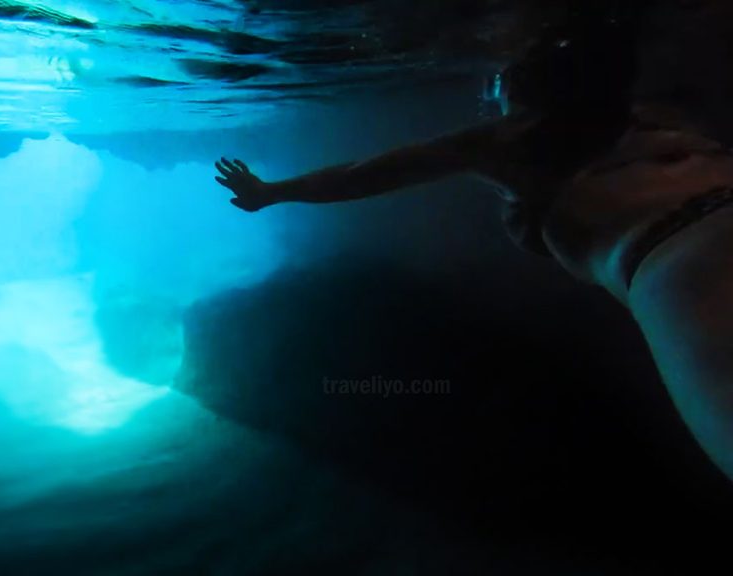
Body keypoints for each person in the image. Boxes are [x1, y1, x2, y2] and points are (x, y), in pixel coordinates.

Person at [214, 14, 733, 481]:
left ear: (523, 85)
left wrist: (272, 192)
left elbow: (363, 174)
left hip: (680, 258)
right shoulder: (668, 112)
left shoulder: (510, 139)